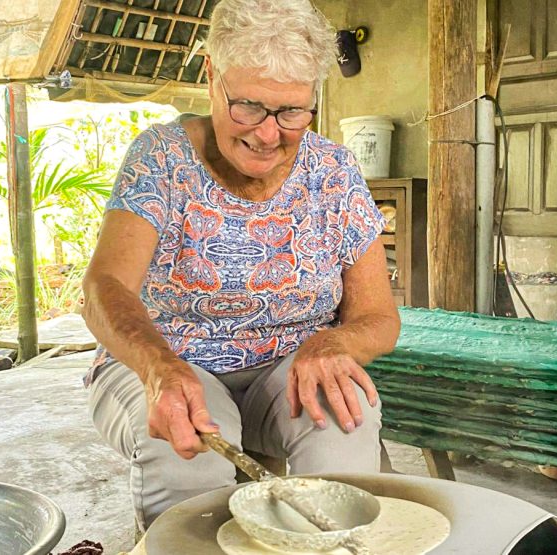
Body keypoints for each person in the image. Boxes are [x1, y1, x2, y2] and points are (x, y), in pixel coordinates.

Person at [82, 0, 400, 533]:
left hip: (288, 363)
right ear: (212, 77)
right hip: (169, 358)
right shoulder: (161, 157)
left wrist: (334, 343)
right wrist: (159, 368)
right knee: (188, 460)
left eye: (293, 112)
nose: (269, 134)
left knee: (346, 428)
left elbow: (379, 317)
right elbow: (104, 286)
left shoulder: (334, 170)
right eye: (249, 107)